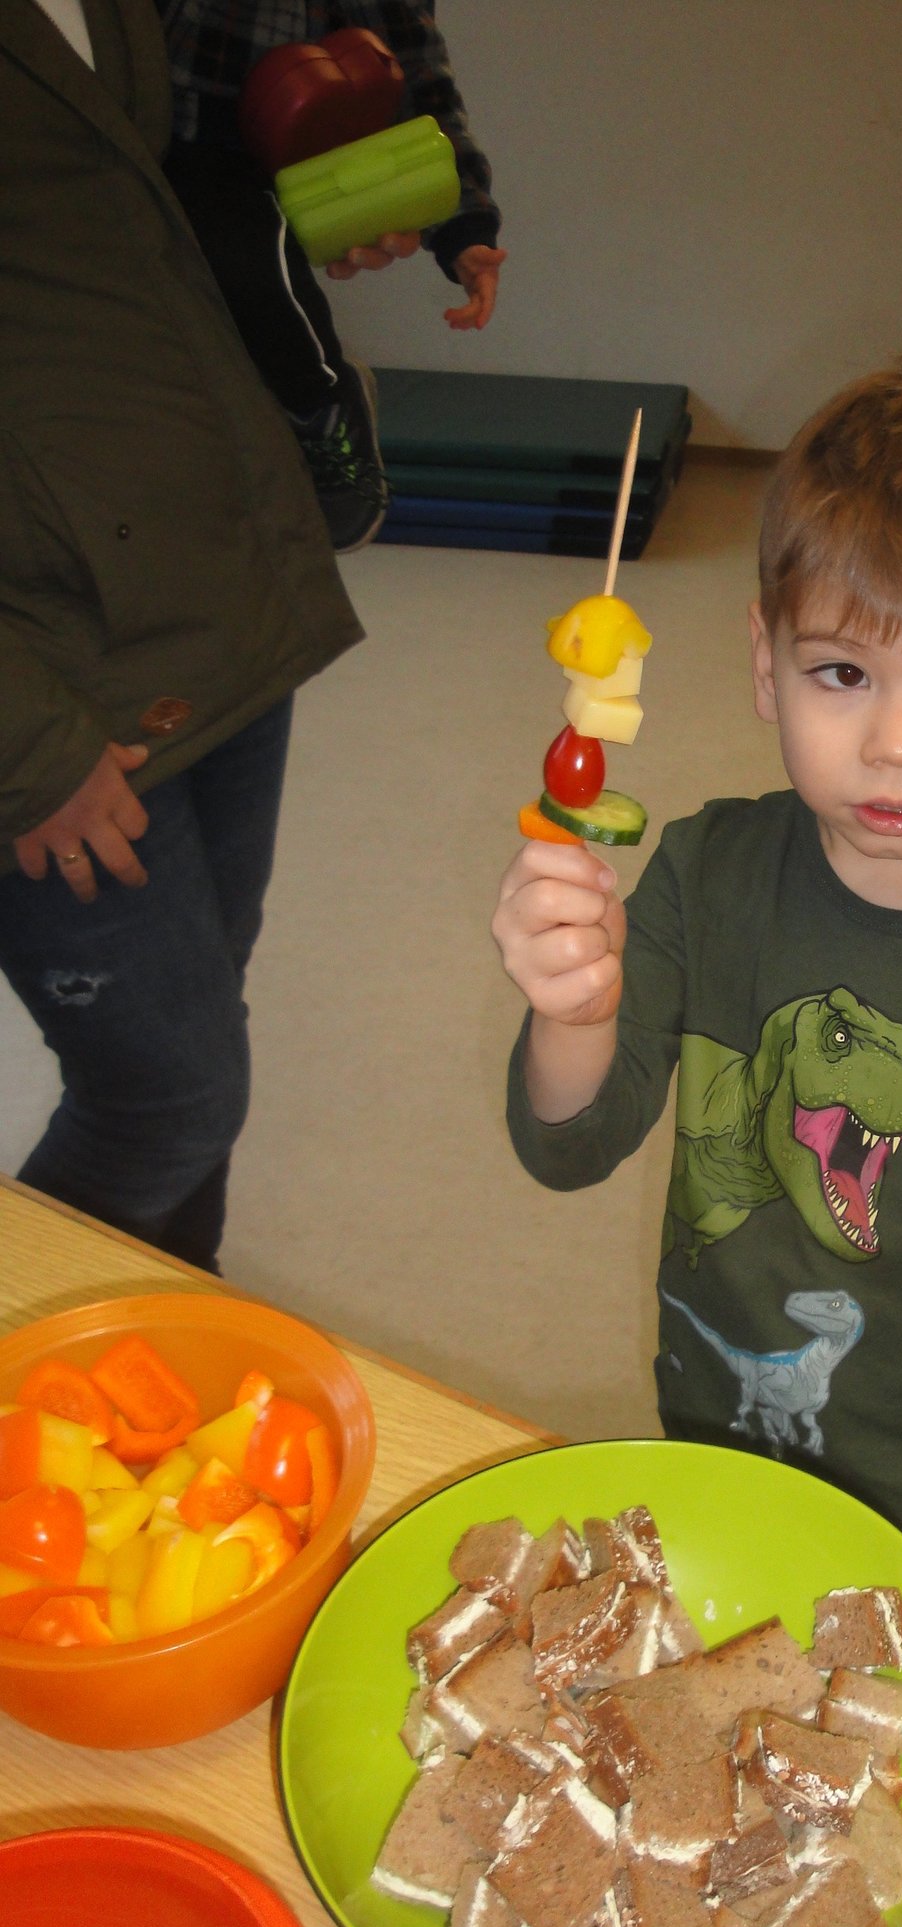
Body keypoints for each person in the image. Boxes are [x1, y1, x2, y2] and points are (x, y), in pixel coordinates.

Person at [493, 360, 902, 1621]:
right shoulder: (704, 869)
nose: (900, 745)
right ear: (766, 663)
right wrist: (574, 1013)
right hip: (707, 1419)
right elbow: (567, 1148)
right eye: (844, 672)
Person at [0, 0, 362, 1272]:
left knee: (207, 1031)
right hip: (57, 661)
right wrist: (20, 740)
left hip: (212, 594)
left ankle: (172, 1345)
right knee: (165, 1098)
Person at [156, 1, 505, 549]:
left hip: (263, 141)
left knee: (254, 270)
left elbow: (417, 74)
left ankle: (318, 401)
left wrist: (464, 225)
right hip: (139, 121)